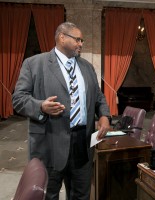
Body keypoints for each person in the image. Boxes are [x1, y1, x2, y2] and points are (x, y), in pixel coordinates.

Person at [12, 22, 111, 200]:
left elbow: (99, 97)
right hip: (49, 143)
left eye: (82, 40)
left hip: (82, 143)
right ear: (62, 37)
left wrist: (104, 116)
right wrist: (41, 106)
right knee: (49, 195)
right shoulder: (34, 64)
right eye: (77, 39)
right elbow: (18, 99)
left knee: (81, 194)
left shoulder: (87, 67)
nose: (81, 44)